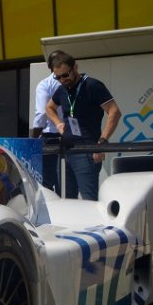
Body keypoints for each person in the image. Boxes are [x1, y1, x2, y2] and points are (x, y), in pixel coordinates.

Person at [44, 53, 121, 201]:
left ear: (75, 67)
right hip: (65, 151)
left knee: (89, 199)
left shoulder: (92, 85)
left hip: (87, 150)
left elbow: (114, 111)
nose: (62, 80)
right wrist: (59, 124)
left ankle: (94, 224)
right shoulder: (62, 90)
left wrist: (102, 142)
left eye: (65, 75)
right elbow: (49, 108)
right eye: (57, 77)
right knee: (66, 200)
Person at [32, 50, 68, 193]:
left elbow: (41, 113)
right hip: (69, 135)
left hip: (50, 137)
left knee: (48, 182)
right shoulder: (71, 82)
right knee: (67, 180)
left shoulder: (45, 85)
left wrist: (34, 138)